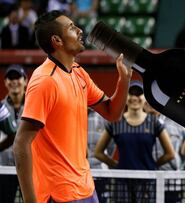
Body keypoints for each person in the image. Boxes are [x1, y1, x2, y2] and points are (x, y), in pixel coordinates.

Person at [13, 10, 132, 203]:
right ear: (57, 40)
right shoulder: (44, 81)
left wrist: (124, 80)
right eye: (71, 27)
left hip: (85, 188)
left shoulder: (78, 72)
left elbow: (112, 113)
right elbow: (20, 143)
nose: (79, 30)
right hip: (58, 193)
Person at [94, 81, 175, 202]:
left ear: (144, 98)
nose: (134, 98)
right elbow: (98, 153)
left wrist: (152, 166)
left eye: (139, 94)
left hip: (148, 182)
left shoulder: (154, 122)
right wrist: (117, 166)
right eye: (131, 94)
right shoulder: (115, 122)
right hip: (122, 183)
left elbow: (170, 154)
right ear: (126, 97)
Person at [0, 64, 27, 202]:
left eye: (18, 77)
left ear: (25, 81)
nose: (14, 81)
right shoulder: (0, 108)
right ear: (5, 82)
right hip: (4, 168)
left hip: (29, 169)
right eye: (10, 78)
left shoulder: (35, 106)